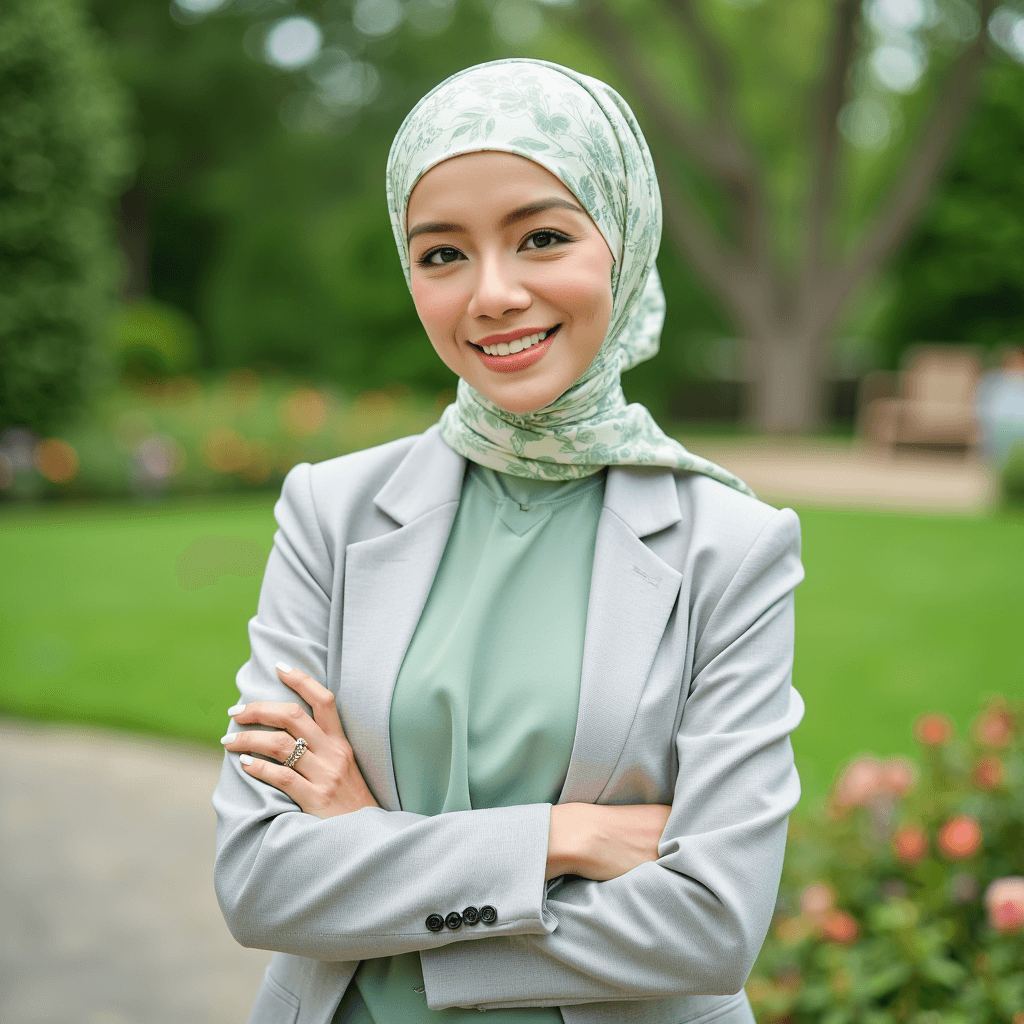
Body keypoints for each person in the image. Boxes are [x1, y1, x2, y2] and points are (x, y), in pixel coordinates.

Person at [212, 58, 805, 1024]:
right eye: (442, 253)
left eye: (541, 237)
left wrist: (372, 861)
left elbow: (711, 925)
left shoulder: (731, 547)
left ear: (623, 238)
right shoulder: (330, 511)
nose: (492, 293)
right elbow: (259, 883)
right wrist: (558, 840)